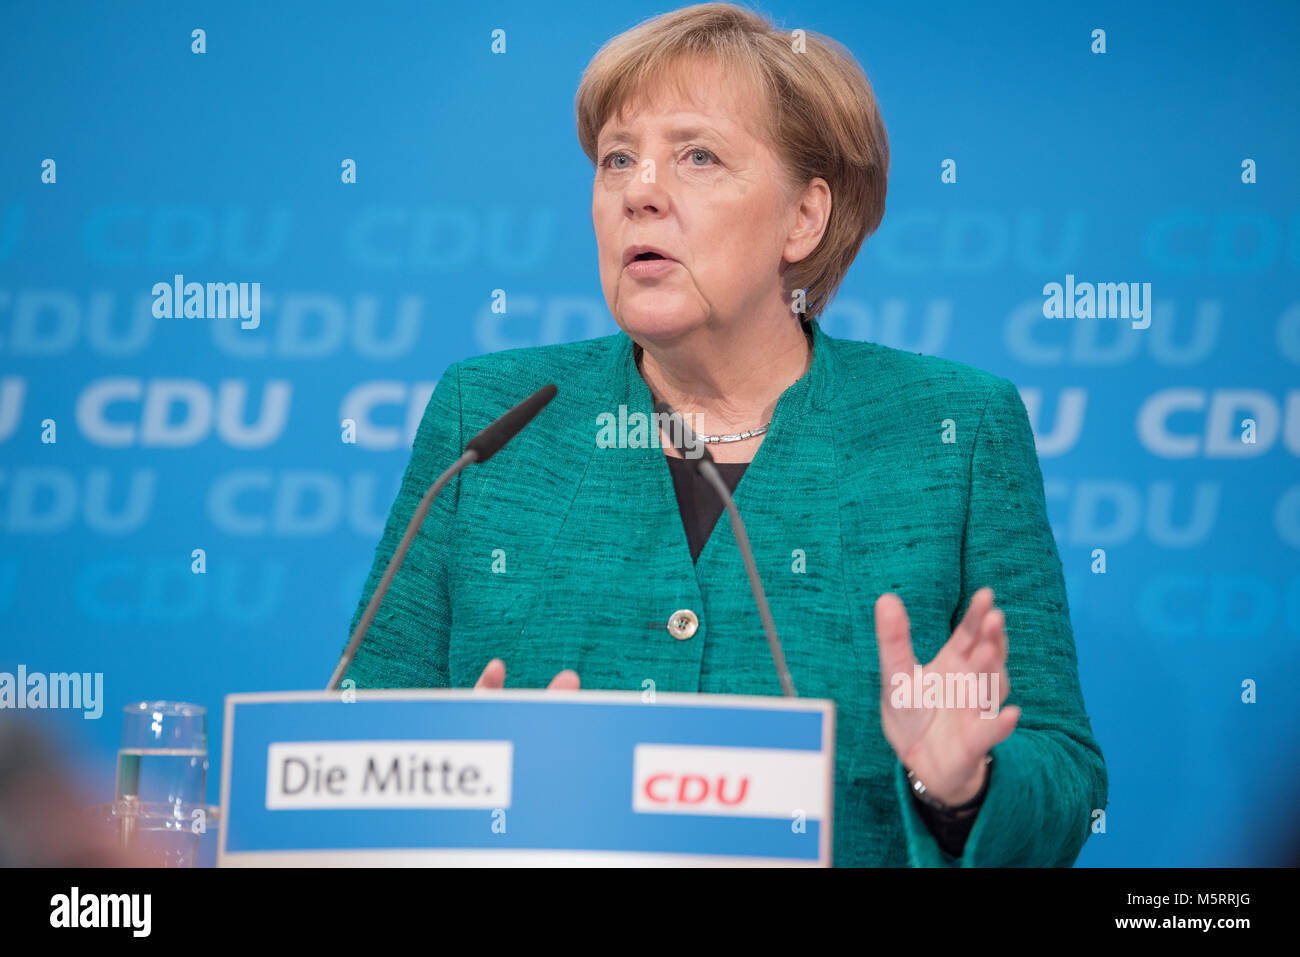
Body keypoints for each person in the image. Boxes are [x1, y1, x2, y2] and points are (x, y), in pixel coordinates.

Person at [343, 2, 1107, 867]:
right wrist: (439, 772)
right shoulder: (487, 416)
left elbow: (1065, 777)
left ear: (803, 220)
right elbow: (355, 737)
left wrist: (958, 786)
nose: (640, 190)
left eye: (697, 155)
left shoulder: (954, 432)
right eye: (617, 159)